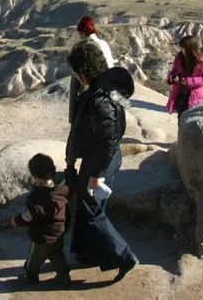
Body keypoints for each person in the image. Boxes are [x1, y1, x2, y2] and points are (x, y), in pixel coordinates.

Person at [65, 40, 139, 283]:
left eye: (76, 71)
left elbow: (107, 139)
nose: (75, 76)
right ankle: (87, 252)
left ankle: (124, 257)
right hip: (103, 157)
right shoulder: (104, 88)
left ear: (84, 72)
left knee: (91, 209)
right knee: (92, 206)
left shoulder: (99, 99)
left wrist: (96, 173)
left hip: (101, 160)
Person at [9, 153, 72, 285]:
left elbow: (30, 217)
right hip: (58, 231)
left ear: (35, 176)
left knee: (35, 257)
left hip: (43, 236)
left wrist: (16, 220)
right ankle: (63, 275)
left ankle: (30, 276)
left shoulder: (37, 197)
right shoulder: (62, 189)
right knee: (56, 253)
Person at [69, 15, 115, 126]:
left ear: (83, 32)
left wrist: (72, 117)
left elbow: (77, 76)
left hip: (89, 90)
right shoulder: (104, 44)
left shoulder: (81, 46)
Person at [166, 36, 203, 120]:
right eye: (181, 48)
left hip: (195, 96)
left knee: (192, 120)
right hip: (180, 94)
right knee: (181, 119)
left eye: (184, 48)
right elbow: (174, 70)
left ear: (191, 48)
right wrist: (173, 77)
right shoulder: (179, 58)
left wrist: (188, 81)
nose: (182, 50)